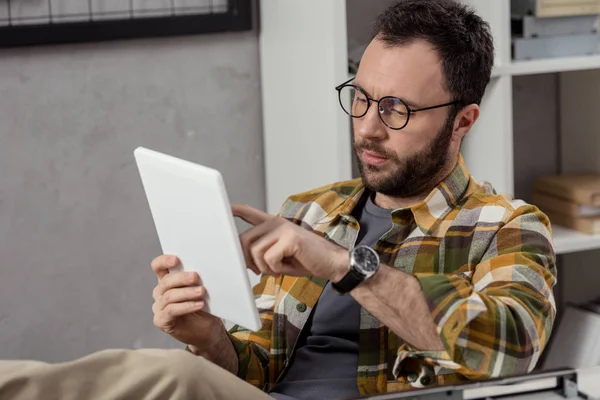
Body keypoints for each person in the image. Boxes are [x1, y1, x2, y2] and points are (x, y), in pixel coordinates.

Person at [0, 1, 557, 399]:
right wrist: (210, 339)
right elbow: (255, 372)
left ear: (463, 121)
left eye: (396, 110)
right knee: (173, 369)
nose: (367, 129)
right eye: (359, 99)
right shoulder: (313, 211)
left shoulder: (508, 228)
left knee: (172, 380)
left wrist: (343, 266)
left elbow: (507, 350)